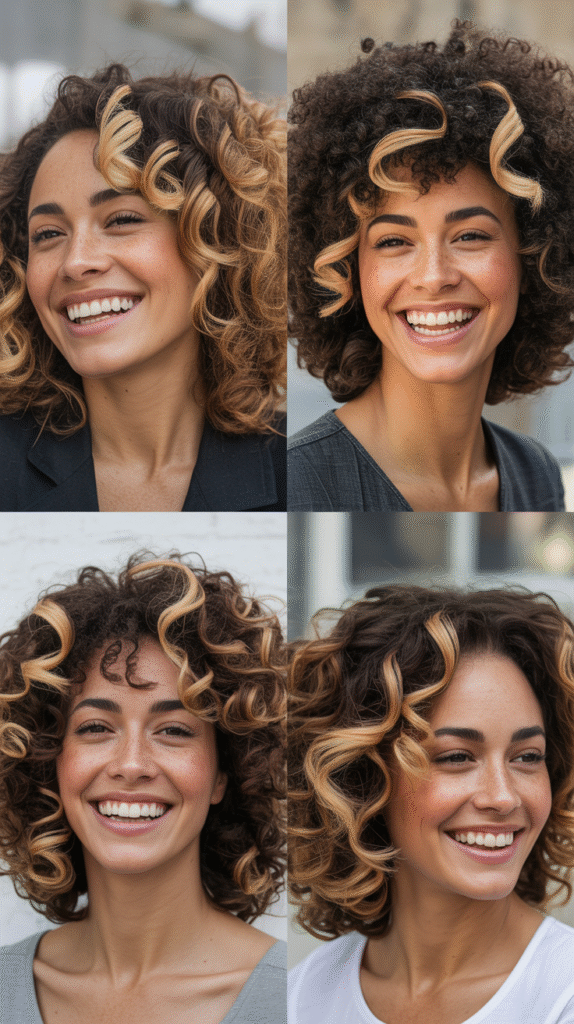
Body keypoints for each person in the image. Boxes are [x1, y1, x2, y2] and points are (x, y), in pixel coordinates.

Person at [287, 22, 574, 511]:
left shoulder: (536, 474)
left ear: (534, 254)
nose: (434, 275)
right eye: (395, 241)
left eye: (470, 236)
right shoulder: (296, 485)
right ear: (347, 270)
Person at [0, 555, 286, 1023]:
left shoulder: (298, 998)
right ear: (49, 759)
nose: (132, 765)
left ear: (223, 772)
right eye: (95, 727)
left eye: (174, 730)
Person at [0, 65, 286, 511]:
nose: (76, 263)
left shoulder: (298, 469)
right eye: (48, 234)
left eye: (122, 220)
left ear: (215, 238)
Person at [288, 585, 574, 1023]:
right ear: (363, 777)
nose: (502, 796)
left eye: (527, 758)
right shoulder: (302, 995)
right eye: (457, 757)